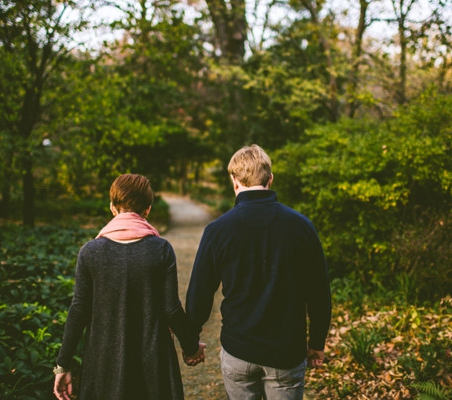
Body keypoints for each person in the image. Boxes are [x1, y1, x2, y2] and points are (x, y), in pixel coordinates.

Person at [186, 145, 331, 400]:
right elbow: (319, 292)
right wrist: (317, 342)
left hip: (238, 350)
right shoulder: (301, 227)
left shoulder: (218, 230)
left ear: (234, 181)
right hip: (286, 352)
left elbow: (200, 291)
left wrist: (191, 342)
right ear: (270, 179)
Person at [53, 174, 205, 400]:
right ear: (147, 210)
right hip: (153, 366)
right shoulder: (161, 250)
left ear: (113, 208)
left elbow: (78, 311)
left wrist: (62, 366)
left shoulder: (90, 252)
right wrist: (191, 347)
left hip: (103, 367)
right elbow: (171, 309)